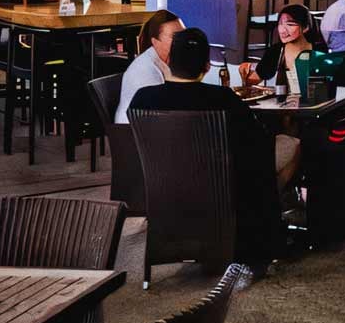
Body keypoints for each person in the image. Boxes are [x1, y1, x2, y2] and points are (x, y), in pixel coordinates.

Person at [128, 28, 299, 265]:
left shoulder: (143, 99)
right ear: (207, 66)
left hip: (167, 188)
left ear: (167, 61)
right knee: (290, 145)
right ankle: (267, 226)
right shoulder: (222, 98)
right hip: (222, 186)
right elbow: (256, 142)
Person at [241, 4, 324, 93]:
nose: (282, 30)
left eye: (290, 24)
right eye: (280, 24)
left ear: (305, 27)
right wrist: (246, 71)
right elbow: (255, 79)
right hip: (284, 102)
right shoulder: (275, 51)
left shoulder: (320, 51)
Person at [116, 9, 181, 122]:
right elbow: (158, 116)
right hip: (133, 133)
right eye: (174, 37)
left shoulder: (164, 63)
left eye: (182, 35)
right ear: (155, 42)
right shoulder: (144, 72)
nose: (181, 41)